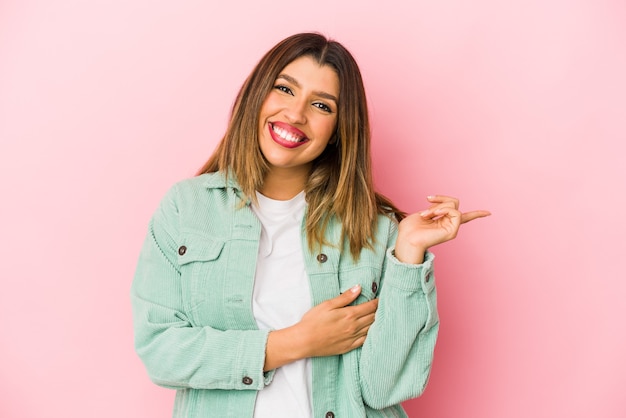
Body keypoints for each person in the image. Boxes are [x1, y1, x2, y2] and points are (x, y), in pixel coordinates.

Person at [131, 32, 490, 418]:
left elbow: (385, 385)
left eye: (321, 105)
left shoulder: (374, 229)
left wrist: (408, 254)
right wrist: (297, 342)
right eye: (284, 89)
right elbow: (161, 351)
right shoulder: (187, 208)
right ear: (257, 96)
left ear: (338, 130)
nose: (296, 114)